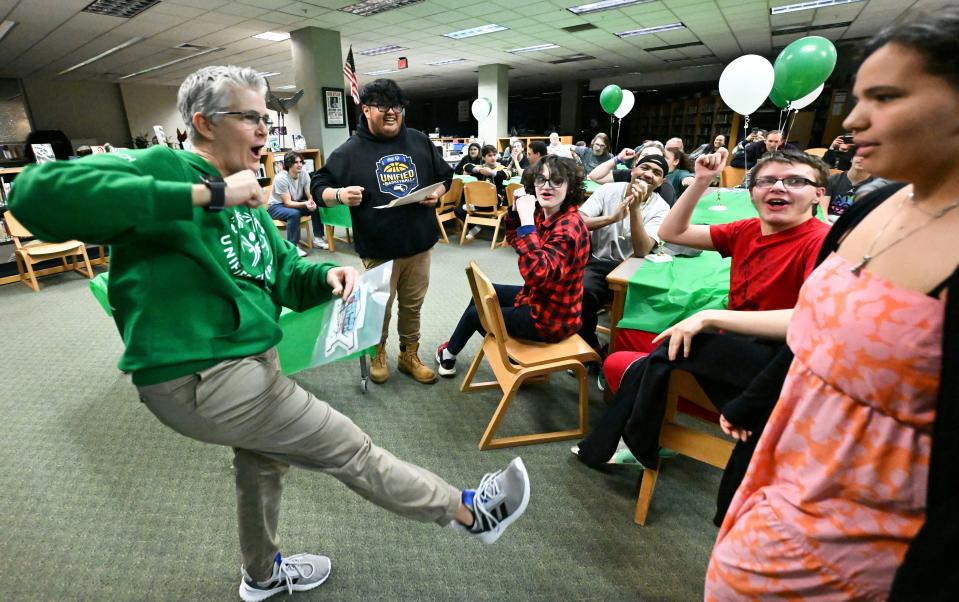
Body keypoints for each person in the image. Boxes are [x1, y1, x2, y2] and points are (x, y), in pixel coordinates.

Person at [7, 65, 531, 602]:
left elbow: (283, 272)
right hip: (204, 373)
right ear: (205, 123)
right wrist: (208, 195)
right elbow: (34, 194)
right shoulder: (170, 167)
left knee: (261, 464)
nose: (265, 131)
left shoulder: (250, 196)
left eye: (266, 118)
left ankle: (261, 576)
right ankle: (471, 512)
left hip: (253, 359)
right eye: (251, 118)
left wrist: (326, 274)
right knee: (351, 448)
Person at [706, 9, 959, 599]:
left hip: (876, 531)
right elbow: (815, 330)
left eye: (887, 96)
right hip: (781, 471)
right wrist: (753, 401)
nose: (853, 120)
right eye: (858, 97)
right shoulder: (879, 205)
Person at [574, 149, 830, 470]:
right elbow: (672, 234)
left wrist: (708, 316)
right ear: (752, 192)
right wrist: (701, 182)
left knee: (666, 350)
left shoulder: (821, 241)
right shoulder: (747, 230)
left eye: (795, 181)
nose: (778, 187)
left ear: (818, 194)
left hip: (780, 362)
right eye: (766, 180)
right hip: (738, 345)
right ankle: (638, 440)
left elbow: (814, 321)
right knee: (660, 354)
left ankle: (633, 442)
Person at [312, 79, 451, 385]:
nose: (392, 112)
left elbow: (446, 176)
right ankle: (378, 354)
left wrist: (438, 192)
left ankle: (408, 355)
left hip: (419, 245)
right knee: (380, 309)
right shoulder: (351, 150)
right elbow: (318, 184)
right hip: (378, 249)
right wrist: (340, 196)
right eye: (384, 106)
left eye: (397, 106)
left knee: (413, 307)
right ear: (366, 109)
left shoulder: (418, 140)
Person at [435, 155, 590, 376]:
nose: (547, 187)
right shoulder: (549, 214)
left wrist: (527, 222)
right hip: (540, 299)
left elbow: (536, 274)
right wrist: (516, 212)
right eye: (541, 179)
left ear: (570, 186)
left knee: (475, 314)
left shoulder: (568, 227)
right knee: (480, 294)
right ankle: (451, 353)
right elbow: (517, 242)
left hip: (551, 319)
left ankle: (449, 354)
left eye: (557, 180)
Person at [577, 154, 670, 354]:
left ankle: (621, 353)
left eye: (656, 173)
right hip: (599, 260)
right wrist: (611, 218)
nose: (648, 174)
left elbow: (642, 250)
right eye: (644, 168)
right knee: (582, 291)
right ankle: (589, 347)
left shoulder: (662, 207)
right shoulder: (607, 190)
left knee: (649, 306)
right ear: (633, 169)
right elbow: (578, 222)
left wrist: (635, 208)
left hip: (634, 266)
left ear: (662, 181)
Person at [267, 151, 326, 255]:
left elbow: (309, 193)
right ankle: (292, 247)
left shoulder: (304, 173)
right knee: (294, 213)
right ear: (289, 164)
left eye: (301, 162)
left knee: (315, 206)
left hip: (294, 203)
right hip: (276, 207)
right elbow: (287, 203)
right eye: (296, 162)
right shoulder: (281, 178)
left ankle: (318, 239)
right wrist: (305, 204)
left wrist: (311, 202)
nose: (300, 165)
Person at [588, 144, 677, 206]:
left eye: (656, 156)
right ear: (637, 159)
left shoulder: (665, 188)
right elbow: (595, 176)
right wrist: (618, 159)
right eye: (645, 155)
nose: (650, 159)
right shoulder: (630, 174)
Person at [823, 153, 883, 220]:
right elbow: (822, 210)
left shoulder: (877, 187)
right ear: (852, 159)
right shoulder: (832, 179)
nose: (861, 158)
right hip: (829, 223)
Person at [729, 129, 798, 169]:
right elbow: (734, 162)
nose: (773, 144)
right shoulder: (754, 147)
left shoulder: (789, 148)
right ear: (765, 140)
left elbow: (801, 162)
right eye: (770, 141)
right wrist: (758, 165)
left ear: (782, 142)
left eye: (776, 142)